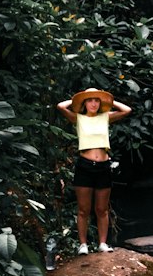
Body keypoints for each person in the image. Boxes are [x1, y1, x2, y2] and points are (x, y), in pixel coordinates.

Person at [56, 87, 131, 255]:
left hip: (104, 166)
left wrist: (108, 101)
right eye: (89, 100)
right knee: (83, 209)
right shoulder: (79, 118)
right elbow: (61, 106)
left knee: (102, 209)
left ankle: (102, 243)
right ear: (84, 103)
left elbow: (127, 110)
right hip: (85, 165)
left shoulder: (105, 117)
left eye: (97, 100)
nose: (93, 103)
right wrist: (79, 97)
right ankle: (83, 245)